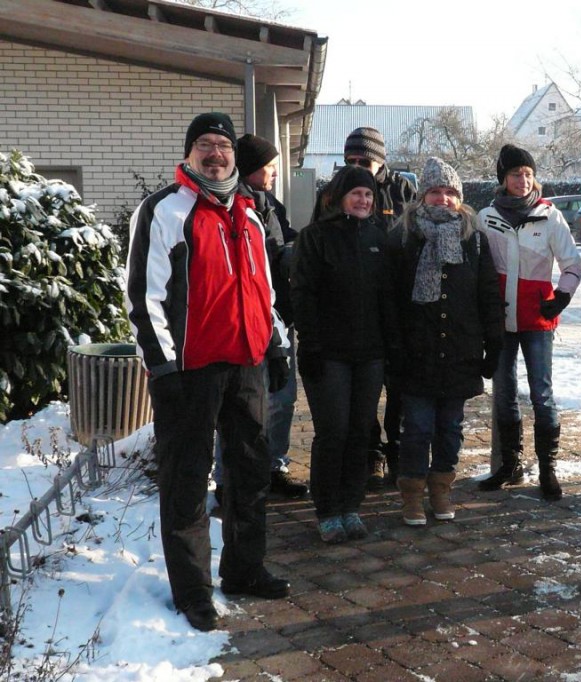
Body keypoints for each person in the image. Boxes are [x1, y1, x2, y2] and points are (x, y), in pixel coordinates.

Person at [125, 112, 291, 632]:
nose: (216, 153)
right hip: (189, 370)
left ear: (234, 156)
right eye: (205, 144)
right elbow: (143, 296)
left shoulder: (249, 212)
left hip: (246, 363)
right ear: (189, 152)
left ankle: (243, 569)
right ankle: (193, 590)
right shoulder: (164, 210)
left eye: (223, 145)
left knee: (250, 471)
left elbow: (262, 289)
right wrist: (163, 367)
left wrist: (276, 345)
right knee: (188, 479)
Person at [387, 157, 504, 525]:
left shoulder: (475, 241)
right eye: (435, 191)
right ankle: (411, 493)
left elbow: (488, 295)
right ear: (422, 196)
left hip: (459, 351)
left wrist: (493, 345)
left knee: (450, 429)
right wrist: (394, 348)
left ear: (460, 197)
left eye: (450, 192)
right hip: (416, 352)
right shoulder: (404, 237)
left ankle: (441, 489)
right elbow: (390, 298)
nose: (443, 198)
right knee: (417, 428)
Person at [291, 165, 397, 544]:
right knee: (333, 432)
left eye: (368, 194)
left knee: (360, 432)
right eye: (356, 194)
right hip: (328, 354)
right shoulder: (315, 237)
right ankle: (327, 510)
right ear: (339, 197)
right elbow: (303, 294)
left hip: (370, 354)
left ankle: (351, 506)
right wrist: (311, 344)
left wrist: (392, 346)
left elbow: (388, 298)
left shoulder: (379, 237)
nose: (363, 200)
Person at [477, 144, 581, 500]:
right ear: (502, 179)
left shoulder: (550, 215)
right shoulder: (485, 217)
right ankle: (509, 465)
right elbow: (477, 268)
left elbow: (572, 264)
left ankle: (548, 468)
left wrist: (561, 297)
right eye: (515, 174)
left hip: (538, 319)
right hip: (500, 320)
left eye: (527, 174)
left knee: (542, 393)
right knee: (504, 393)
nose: (522, 180)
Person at [212, 133, 307, 503]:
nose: (274, 173)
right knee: (240, 403)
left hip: (279, 318)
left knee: (283, 398)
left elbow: (283, 243)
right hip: (244, 323)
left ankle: (273, 467)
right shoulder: (229, 206)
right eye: (269, 166)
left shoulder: (270, 205)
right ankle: (229, 478)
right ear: (251, 169)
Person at [343, 126, 417, 490]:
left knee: (399, 384)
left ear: (380, 160)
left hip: (401, 305)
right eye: (351, 160)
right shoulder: (339, 190)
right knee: (365, 388)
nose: (357, 166)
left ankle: (398, 449)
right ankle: (371, 452)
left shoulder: (403, 191)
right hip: (360, 307)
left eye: (364, 161)